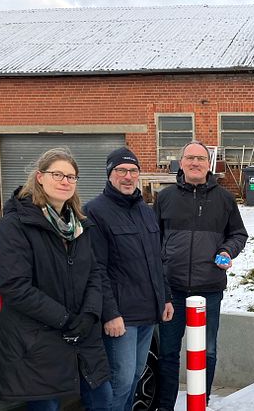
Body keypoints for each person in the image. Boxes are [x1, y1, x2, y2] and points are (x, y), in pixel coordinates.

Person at [0, 148, 111, 411]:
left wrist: (90, 314)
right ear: (39, 177)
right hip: (37, 343)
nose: (65, 181)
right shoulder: (16, 225)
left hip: (83, 340)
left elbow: (93, 273)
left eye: (71, 176)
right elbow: (15, 287)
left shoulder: (79, 226)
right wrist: (66, 319)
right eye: (57, 174)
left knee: (103, 401)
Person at [154, 141, 248, 410]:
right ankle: (164, 405)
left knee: (207, 352)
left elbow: (238, 234)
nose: (195, 163)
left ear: (210, 164)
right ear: (180, 163)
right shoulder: (165, 198)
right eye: (189, 158)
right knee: (168, 352)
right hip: (171, 291)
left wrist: (228, 250)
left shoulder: (225, 198)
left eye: (201, 158)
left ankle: (201, 401)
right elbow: (153, 239)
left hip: (209, 290)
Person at [84, 147, 174, 410]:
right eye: (121, 171)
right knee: (119, 381)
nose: (127, 176)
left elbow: (158, 260)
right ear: (109, 175)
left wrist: (165, 297)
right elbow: (96, 269)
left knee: (135, 377)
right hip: (121, 317)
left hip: (147, 313)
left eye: (133, 171)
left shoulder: (145, 211)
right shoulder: (95, 212)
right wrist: (110, 313)